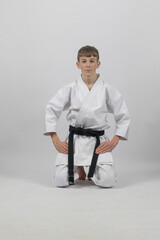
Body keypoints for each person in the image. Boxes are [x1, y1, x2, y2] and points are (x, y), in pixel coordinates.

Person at [43, 45, 130, 188]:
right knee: (60, 180)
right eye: (84, 61)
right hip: (75, 140)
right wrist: (55, 139)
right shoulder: (71, 88)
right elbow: (51, 109)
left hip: (97, 141)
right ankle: (79, 168)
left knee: (107, 181)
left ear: (98, 64)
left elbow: (123, 114)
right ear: (78, 64)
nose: (88, 65)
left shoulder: (107, 89)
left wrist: (114, 140)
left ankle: (92, 167)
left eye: (91, 60)